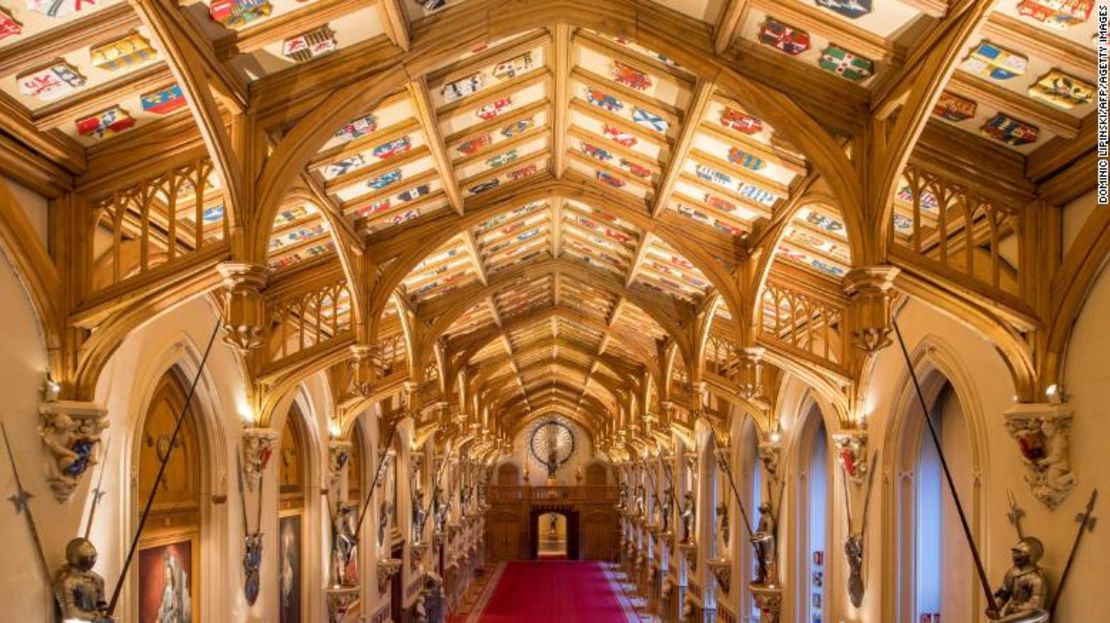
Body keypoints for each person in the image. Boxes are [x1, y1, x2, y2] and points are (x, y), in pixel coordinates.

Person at [987, 538, 1050, 623]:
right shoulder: (1011, 573)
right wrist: (994, 607)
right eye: (1015, 552)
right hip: (1012, 614)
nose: (1015, 555)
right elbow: (1004, 593)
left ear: (1031, 556)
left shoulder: (1037, 579)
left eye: (1020, 553)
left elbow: (1035, 608)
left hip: (1031, 619)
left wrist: (1003, 620)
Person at [52, 538, 112, 623]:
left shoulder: (97, 579)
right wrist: (95, 617)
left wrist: (105, 616)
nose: (91, 560)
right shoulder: (66, 582)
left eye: (92, 557)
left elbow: (101, 604)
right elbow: (69, 613)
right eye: (87, 558)